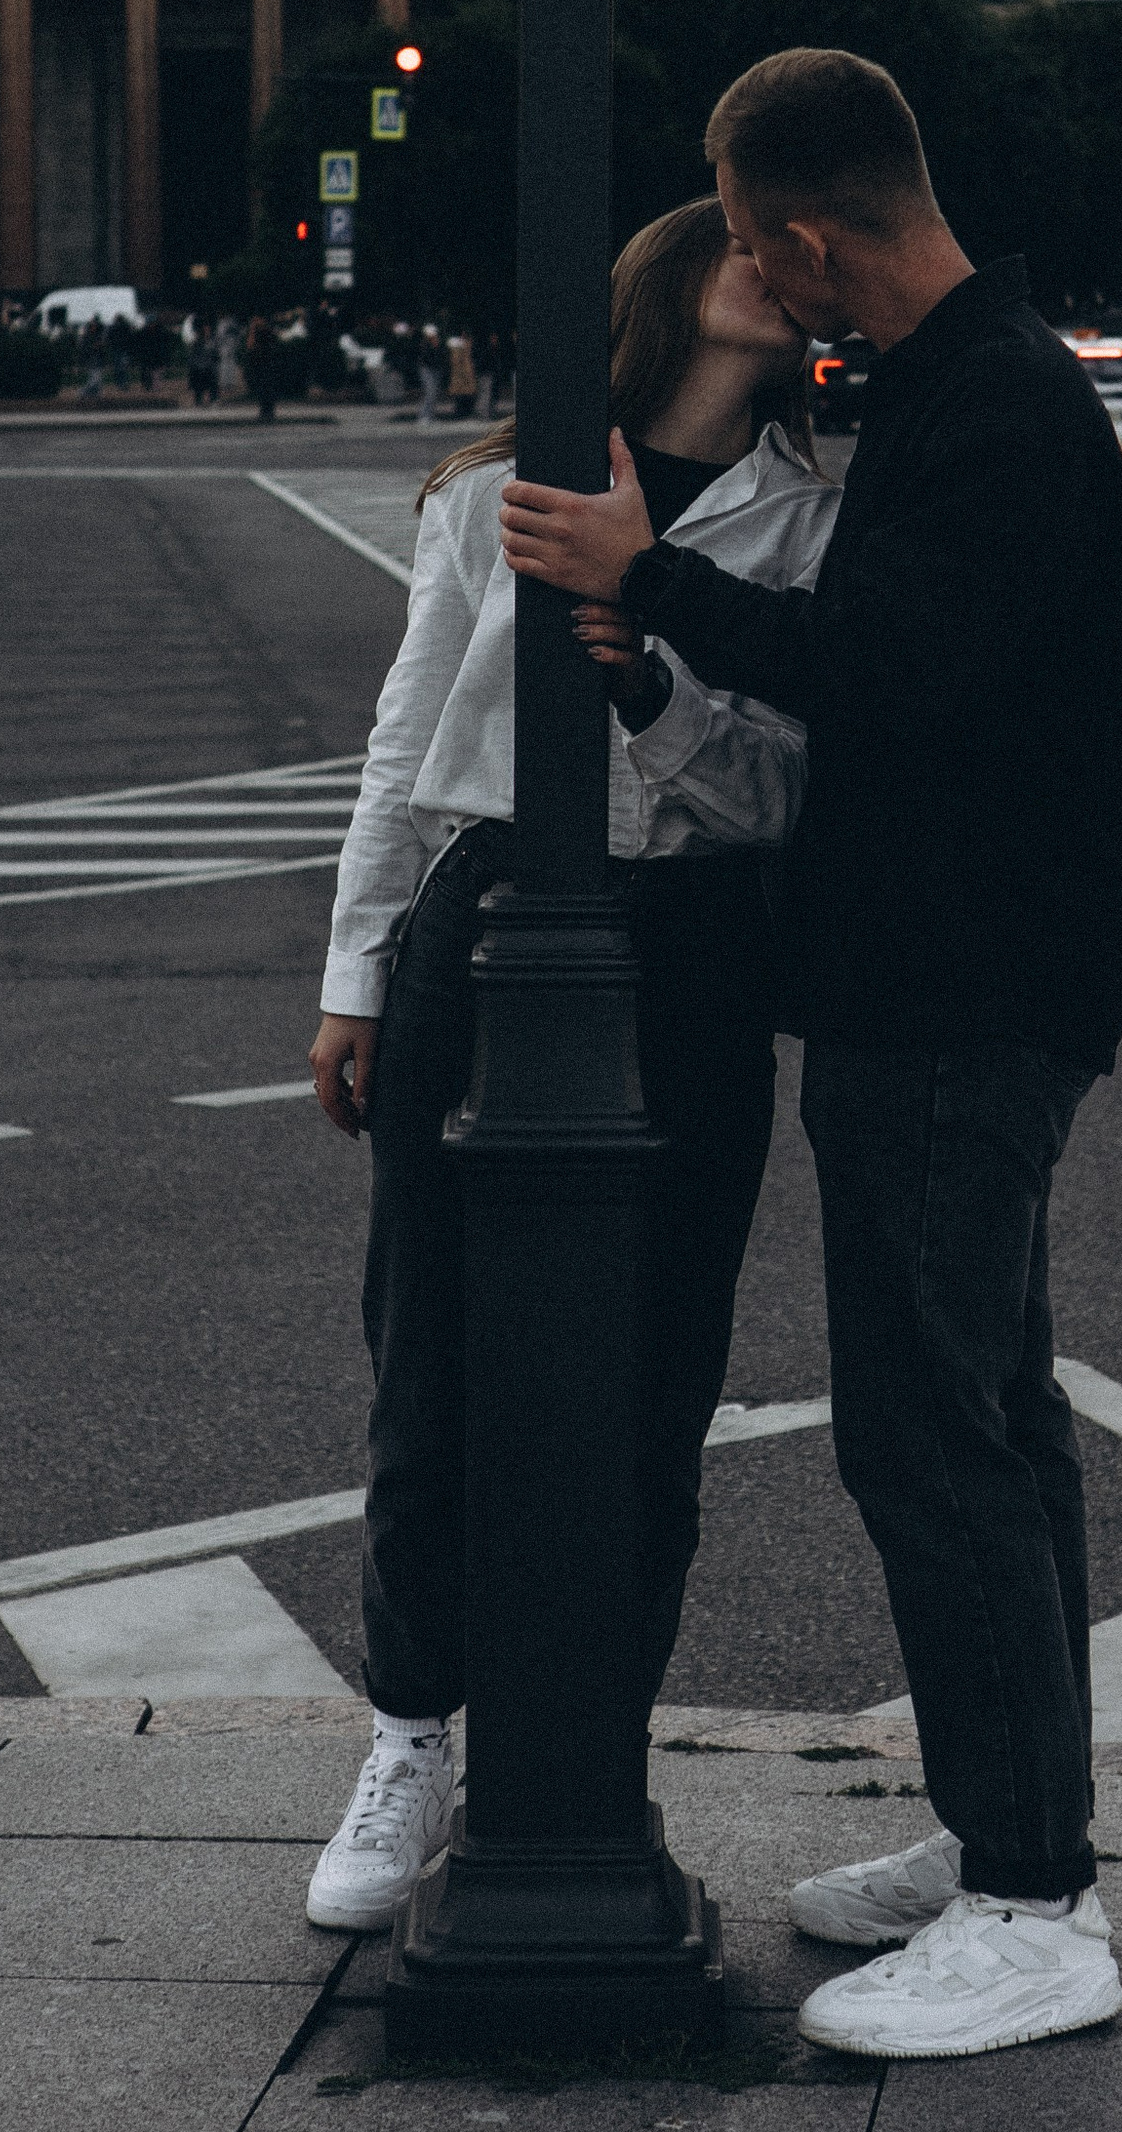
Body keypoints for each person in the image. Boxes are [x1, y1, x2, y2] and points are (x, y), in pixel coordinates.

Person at [501, 48, 1122, 2063]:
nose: (773, 288)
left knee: (930, 1435)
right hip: (933, 983)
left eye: (762, 248)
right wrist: (664, 641)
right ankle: (1012, 1840)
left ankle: (1034, 1906)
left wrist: (647, 580)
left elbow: (897, 678)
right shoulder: (968, 384)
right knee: (991, 1425)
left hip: (955, 994)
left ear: (790, 230)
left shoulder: (999, 406)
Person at [300, 199, 839, 1935]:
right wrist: (357, 976)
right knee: (430, 1346)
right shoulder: (496, 488)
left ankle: (596, 1738)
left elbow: (773, 796)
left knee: (656, 1369)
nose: (778, 259)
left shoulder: (814, 511)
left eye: (792, 248)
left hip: (692, 949)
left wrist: (650, 682)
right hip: (483, 916)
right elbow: (406, 737)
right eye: (742, 240)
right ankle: (407, 1734)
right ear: (668, 282)